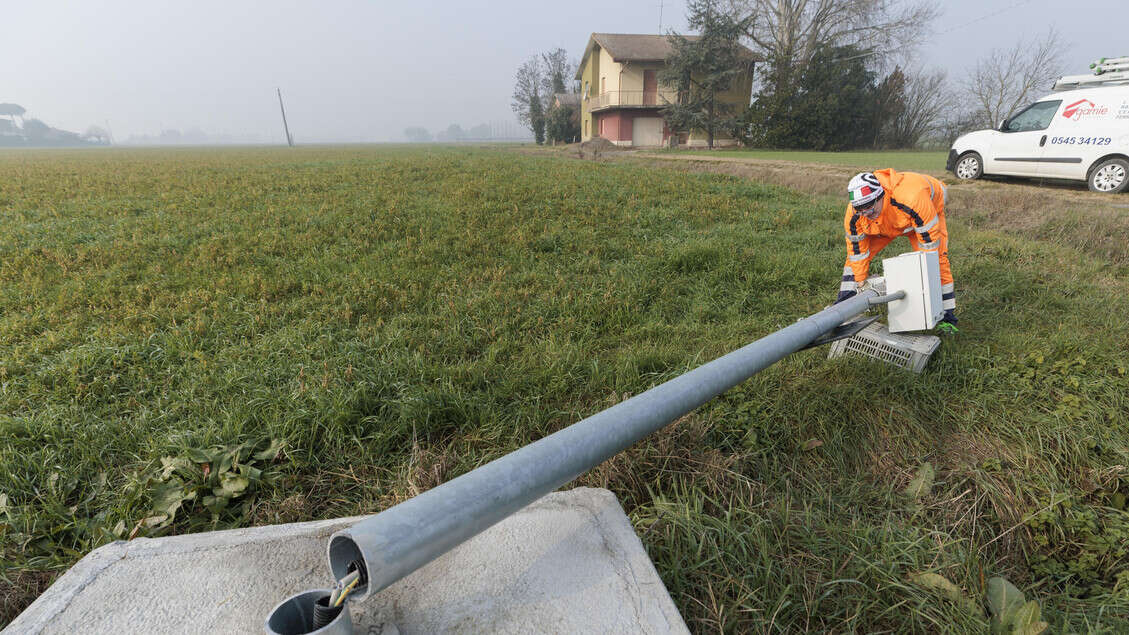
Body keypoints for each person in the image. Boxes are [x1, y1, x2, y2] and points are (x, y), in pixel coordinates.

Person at [835, 170, 958, 333]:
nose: (865, 214)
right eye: (860, 210)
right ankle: (842, 309)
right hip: (888, 221)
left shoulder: (912, 198)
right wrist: (859, 282)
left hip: (924, 213)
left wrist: (925, 273)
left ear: (881, 195)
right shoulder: (856, 215)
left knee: (937, 263)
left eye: (869, 208)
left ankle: (946, 318)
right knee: (853, 262)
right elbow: (857, 252)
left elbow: (930, 252)